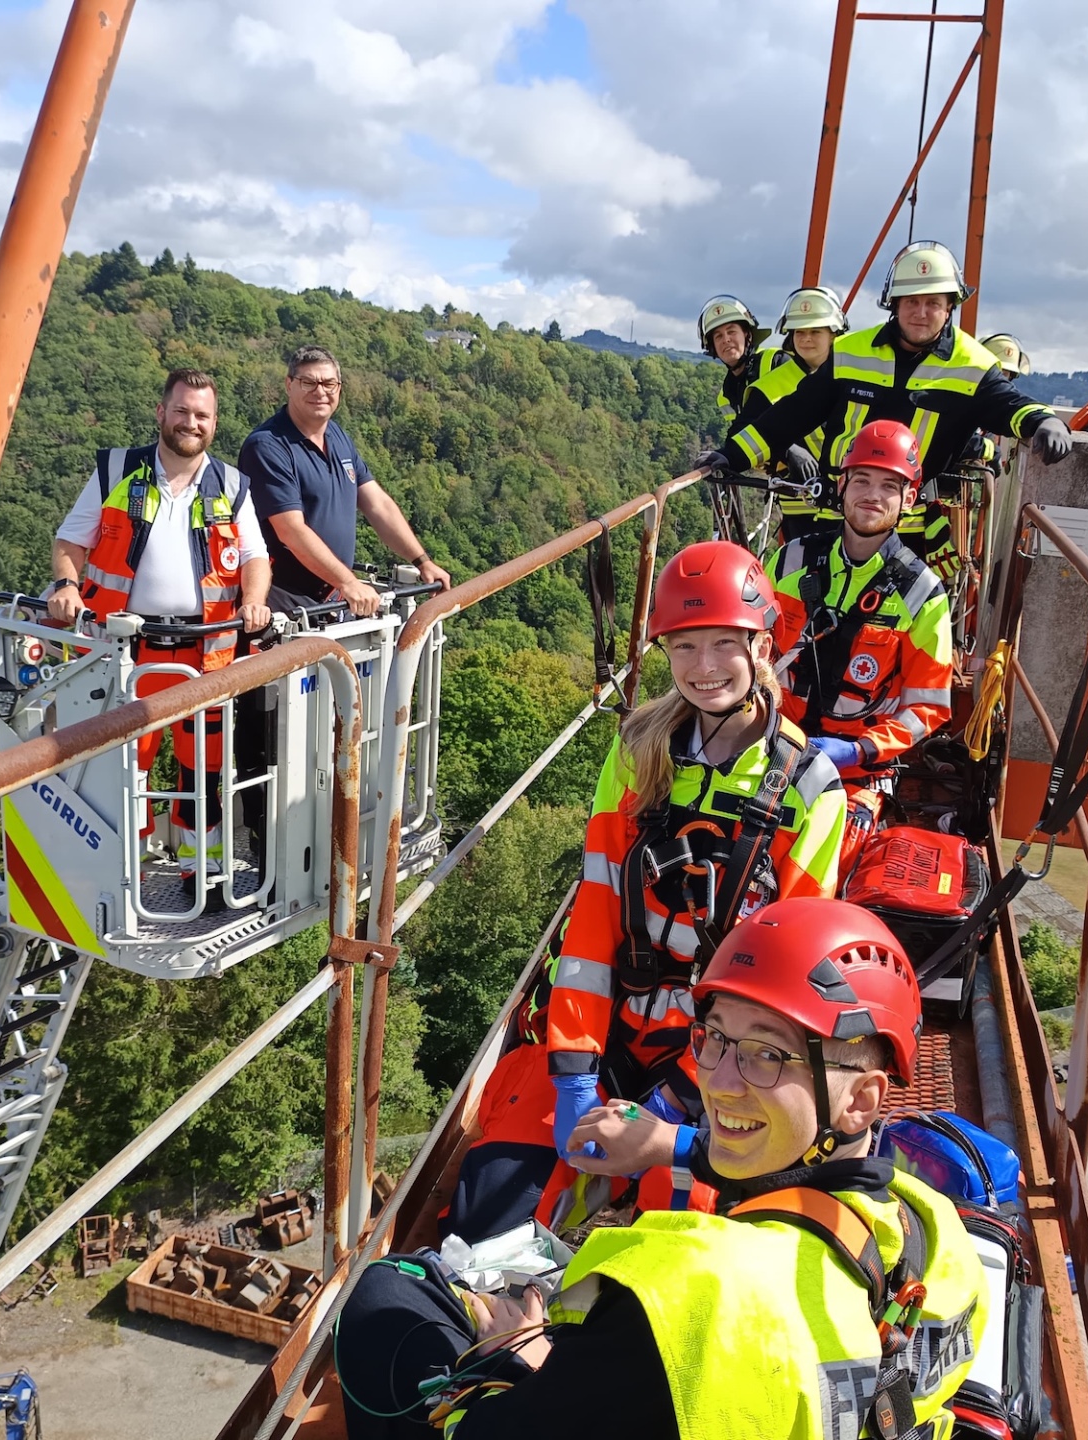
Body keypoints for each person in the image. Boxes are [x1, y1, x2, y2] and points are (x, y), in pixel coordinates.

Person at [335, 899, 990, 1440]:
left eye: (767, 1055)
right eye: (715, 1039)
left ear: (862, 1100)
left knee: (386, 1297)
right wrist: (669, 1145)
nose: (720, 1083)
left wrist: (520, 1356)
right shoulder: (937, 1235)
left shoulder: (692, 1292)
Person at [444, 541, 849, 1241]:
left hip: (722, 1057)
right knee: (491, 1206)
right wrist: (575, 1072)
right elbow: (596, 912)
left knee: (682, 1229)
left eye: (723, 643)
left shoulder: (810, 789)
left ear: (762, 645)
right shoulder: (637, 753)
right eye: (684, 645)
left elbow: (785, 981)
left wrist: (675, 1105)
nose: (703, 666)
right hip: (613, 1032)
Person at [47, 369, 272, 900]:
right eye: (182, 411)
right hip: (126, 651)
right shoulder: (117, 471)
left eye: (202, 415)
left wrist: (254, 599)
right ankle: (126, 875)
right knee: (124, 769)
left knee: (205, 772)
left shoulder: (232, 485)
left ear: (214, 423)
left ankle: (203, 874)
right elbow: (70, 541)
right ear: (161, 413)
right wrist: (66, 584)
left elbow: (256, 555)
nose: (191, 423)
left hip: (205, 653)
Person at [708, 240, 1072, 495]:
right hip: (837, 508)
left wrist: (1045, 421)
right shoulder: (851, 352)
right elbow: (792, 414)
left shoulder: (971, 365)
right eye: (911, 301)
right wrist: (731, 456)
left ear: (950, 307)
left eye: (933, 303)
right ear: (894, 304)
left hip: (909, 521)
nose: (921, 312)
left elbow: (1009, 404)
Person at [766, 420, 956, 864]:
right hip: (773, 742)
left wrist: (859, 750)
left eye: (889, 485)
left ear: (909, 499)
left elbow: (927, 707)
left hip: (856, 769)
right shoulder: (791, 560)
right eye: (862, 480)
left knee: (829, 855)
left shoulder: (922, 594)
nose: (873, 495)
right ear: (842, 486)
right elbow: (749, 650)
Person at [239, 345, 449, 619]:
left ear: (339, 388)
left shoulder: (337, 437)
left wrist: (422, 561)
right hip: (286, 603)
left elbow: (378, 505)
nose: (320, 392)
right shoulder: (267, 446)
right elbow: (291, 530)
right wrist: (348, 582)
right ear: (289, 385)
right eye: (308, 382)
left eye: (329, 383)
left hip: (334, 598)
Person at [746, 286, 851, 543]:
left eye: (815, 331)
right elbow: (746, 433)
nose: (806, 339)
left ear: (833, 333)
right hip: (800, 510)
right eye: (799, 332)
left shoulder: (858, 374)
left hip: (852, 507)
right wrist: (788, 450)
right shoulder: (772, 385)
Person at [697, 294, 768, 436]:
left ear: (747, 334)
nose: (726, 339)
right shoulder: (726, 393)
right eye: (718, 336)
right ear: (713, 347)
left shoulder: (776, 362)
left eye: (731, 331)